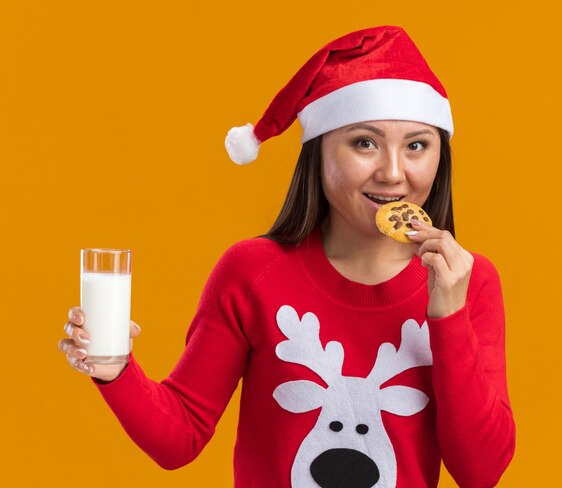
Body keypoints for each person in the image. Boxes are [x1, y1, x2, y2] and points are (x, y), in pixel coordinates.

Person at [58, 25, 515, 487]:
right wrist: (115, 370)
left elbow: (481, 471)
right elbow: (179, 438)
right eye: (364, 142)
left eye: (417, 145)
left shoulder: (470, 283)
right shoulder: (251, 272)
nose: (394, 172)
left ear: (440, 157)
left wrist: (449, 315)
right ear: (318, 153)